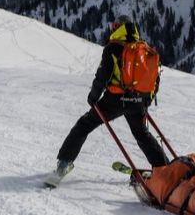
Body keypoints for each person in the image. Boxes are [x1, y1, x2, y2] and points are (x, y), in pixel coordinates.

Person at [52, 15, 168, 182]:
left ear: (118, 28)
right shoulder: (144, 48)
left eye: (114, 25)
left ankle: (64, 164)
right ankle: (164, 170)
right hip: (138, 101)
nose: (112, 28)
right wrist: (146, 100)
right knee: (142, 134)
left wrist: (93, 97)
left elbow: (102, 76)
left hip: (115, 100)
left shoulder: (113, 48)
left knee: (84, 125)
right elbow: (154, 78)